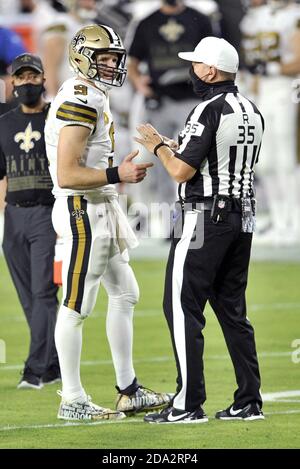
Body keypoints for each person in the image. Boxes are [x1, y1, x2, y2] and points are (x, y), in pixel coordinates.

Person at [45, 24, 171, 421]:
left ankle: (128, 389)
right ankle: (72, 398)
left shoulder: (93, 93)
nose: (113, 65)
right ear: (83, 58)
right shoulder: (81, 98)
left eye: (115, 58)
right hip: (83, 207)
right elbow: (67, 173)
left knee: (126, 292)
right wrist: (119, 174)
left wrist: (116, 179)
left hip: (101, 203)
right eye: (105, 59)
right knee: (77, 305)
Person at [135, 36, 265, 423]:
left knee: (180, 305)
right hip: (243, 217)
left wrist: (158, 145)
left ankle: (187, 403)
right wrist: (178, 146)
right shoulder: (252, 109)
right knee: (232, 310)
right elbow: (222, 158)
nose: (192, 71)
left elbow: (181, 171)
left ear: (210, 70)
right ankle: (248, 401)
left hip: (205, 217)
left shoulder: (207, 108)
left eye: (196, 65)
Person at [126, 0, 213, 237]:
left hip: (191, 100)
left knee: (194, 161)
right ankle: (168, 224)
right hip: (159, 100)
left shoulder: (200, 19)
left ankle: (198, 220)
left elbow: (213, 59)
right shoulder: (148, 22)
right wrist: (139, 82)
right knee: (160, 164)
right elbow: (131, 61)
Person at [0, 53, 60, 389]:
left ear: (42, 80)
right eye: (21, 79)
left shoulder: (56, 119)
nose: (26, 83)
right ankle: (52, 364)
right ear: (12, 83)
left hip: (47, 213)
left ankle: (34, 370)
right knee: (28, 296)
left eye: (32, 78)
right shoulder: (3, 123)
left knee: (43, 293)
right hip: (14, 215)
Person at [240, 0, 300, 244]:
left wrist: (274, 69)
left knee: (286, 159)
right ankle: (279, 220)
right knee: (264, 162)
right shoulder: (252, 19)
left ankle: (295, 222)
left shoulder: (294, 15)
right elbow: (252, 63)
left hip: (287, 89)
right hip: (261, 91)